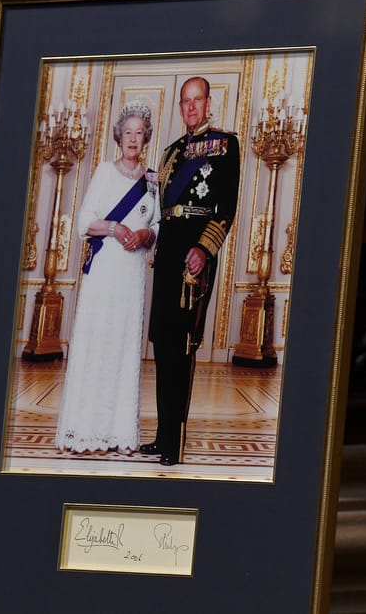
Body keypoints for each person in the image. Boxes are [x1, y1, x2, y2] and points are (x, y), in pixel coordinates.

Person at [139, 77, 241, 466]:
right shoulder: (171, 153)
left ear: (208, 102)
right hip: (167, 255)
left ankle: (175, 443)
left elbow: (226, 208)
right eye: (186, 102)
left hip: (193, 258)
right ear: (180, 106)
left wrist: (204, 248)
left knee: (182, 347)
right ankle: (163, 436)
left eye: (198, 100)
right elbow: (160, 205)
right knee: (162, 347)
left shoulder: (224, 145)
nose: (192, 107)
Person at [54, 101, 161, 455]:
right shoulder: (103, 171)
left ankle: (118, 433)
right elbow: (85, 222)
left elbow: (157, 225)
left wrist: (145, 236)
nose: (133, 138)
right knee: (97, 343)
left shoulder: (152, 180)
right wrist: (116, 228)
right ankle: (84, 430)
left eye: (139, 133)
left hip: (132, 275)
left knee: (124, 345)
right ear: (119, 137)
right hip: (104, 272)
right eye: (127, 132)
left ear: (146, 137)